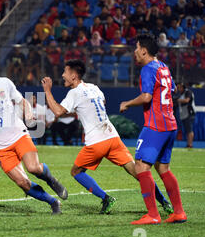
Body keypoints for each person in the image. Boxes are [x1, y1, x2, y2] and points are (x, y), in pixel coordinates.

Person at [42, 59, 173, 215]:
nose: (62, 75)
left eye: (65, 72)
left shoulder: (74, 93)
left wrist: (47, 91)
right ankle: (164, 202)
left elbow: (57, 112)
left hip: (96, 141)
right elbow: (101, 103)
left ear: (74, 76)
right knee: (138, 172)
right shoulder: (93, 87)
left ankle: (106, 199)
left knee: (76, 172)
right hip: (112, 137)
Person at [0, 55, 68, 215]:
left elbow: (21, 101)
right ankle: (53, 202)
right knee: (23, 183)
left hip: (19, 135)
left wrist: (28, 112)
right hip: (0, 147)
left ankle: (52, 180)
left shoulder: (4, 83)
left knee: (33, 168)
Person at [120, 33, 187, 224]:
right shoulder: (164, 67)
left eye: (136, 48)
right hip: (170, 124)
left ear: (144, 51)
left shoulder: (148, 69)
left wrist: (127, 103)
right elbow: (172, 89)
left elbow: (147, 97)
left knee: (140, 165)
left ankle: (152, 214)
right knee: (163, 168)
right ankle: (179, 212)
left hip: (156, 126)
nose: (134, 52)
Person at [176, 82, 196, 148]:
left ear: (183, 87)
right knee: (187, 130)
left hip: (189, 113)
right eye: (178, 87)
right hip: (184, 114)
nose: (179, 89)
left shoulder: (188, 92)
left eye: (179, 87)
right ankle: (188, 144)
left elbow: (187, 100)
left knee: (189, 129)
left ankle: (190, 144)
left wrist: (178, 100)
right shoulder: (181, 94)